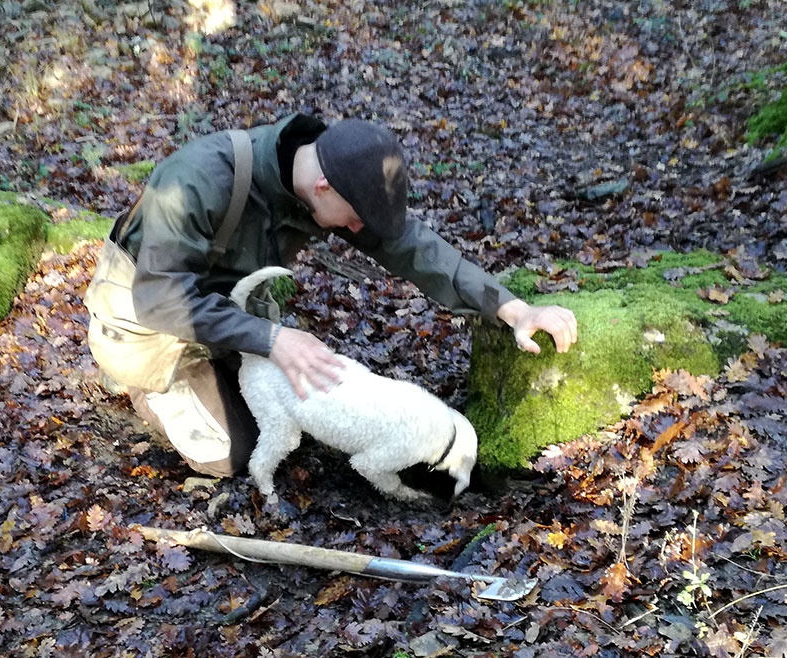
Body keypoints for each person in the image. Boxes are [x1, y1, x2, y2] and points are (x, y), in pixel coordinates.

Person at [84, 114, 578, 477]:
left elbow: (412, 247)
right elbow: (160, 299)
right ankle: (150, 388)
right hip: (149, 332)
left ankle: (223, 372)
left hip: (228, 321)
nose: (358, 230)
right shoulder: (196, 180)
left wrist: (511, 307)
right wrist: (274, 340)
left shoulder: (323, 180)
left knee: (307, 422)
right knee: (236, 454)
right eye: (356, 218)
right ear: (323, 186)